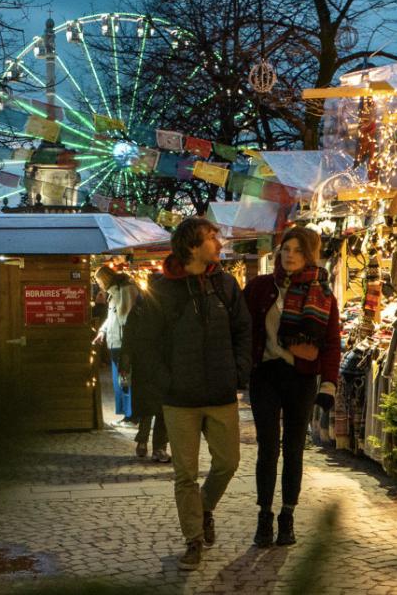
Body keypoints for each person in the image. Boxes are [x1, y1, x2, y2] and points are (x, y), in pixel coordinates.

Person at [128, 217, 252, 570]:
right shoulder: (162, 289)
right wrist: (165, 382)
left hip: (220, 392)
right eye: (212, 236)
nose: (218, 241)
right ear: (193, 246)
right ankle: (193, 539)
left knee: (228, 463)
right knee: (185, 474)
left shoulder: (225, 285)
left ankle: (205, 507)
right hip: (179, 398)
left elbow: (243, 331)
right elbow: (146, 344)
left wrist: (238, 372)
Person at [244, 227, 341, 548]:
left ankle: (287, 516)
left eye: (298, 250)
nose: (289, 255)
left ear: (309, 255)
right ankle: (264, 516)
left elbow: (331, 344)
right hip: (266, 377)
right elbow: (243, 330)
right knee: (268, 447)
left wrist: (328, 383)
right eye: (286, 249)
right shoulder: (259, 287)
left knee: (294, 448)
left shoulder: (323, 293)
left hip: (301, 378)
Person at [121, 290, 171, 464]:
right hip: (150, 365)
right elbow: (128, 339)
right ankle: (152, 445)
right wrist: (125, 364)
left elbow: (127, 339)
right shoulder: (141, 311)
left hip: (157, 365)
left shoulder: (140, 310)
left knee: (156, 407)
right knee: (153, 407)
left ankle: (150, 445)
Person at [92, 266, 140, 425]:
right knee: (120, 380)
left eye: (99, 281)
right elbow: (113, 318)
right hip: (115, 342)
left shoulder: (125, 290)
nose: (98, 285)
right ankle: (127, 414)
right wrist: (103, 331)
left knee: (125, 379)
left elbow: (126, 318)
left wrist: (126, 342)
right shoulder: (114, 292)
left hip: (123, 343)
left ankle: (132, 415)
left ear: (105, 278)